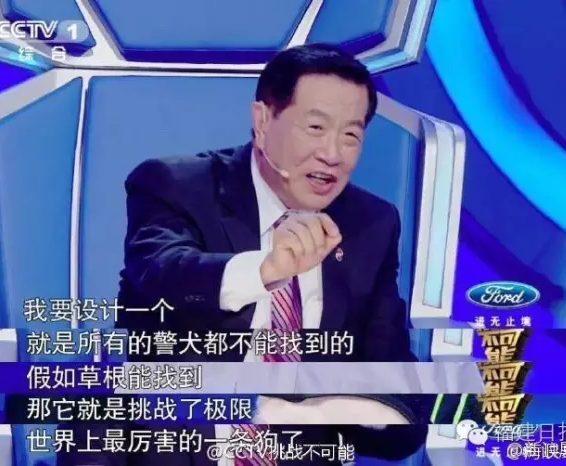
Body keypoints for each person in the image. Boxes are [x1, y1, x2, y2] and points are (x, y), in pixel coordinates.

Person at [58, 43, 428, 466]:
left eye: (351, 136)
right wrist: (266, 269)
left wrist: (366, 406)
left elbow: (396, 397)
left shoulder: (369, 224)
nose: (331, 154)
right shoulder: (176, 186)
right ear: (263, 120)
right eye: (315, 127)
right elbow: (162, 274)